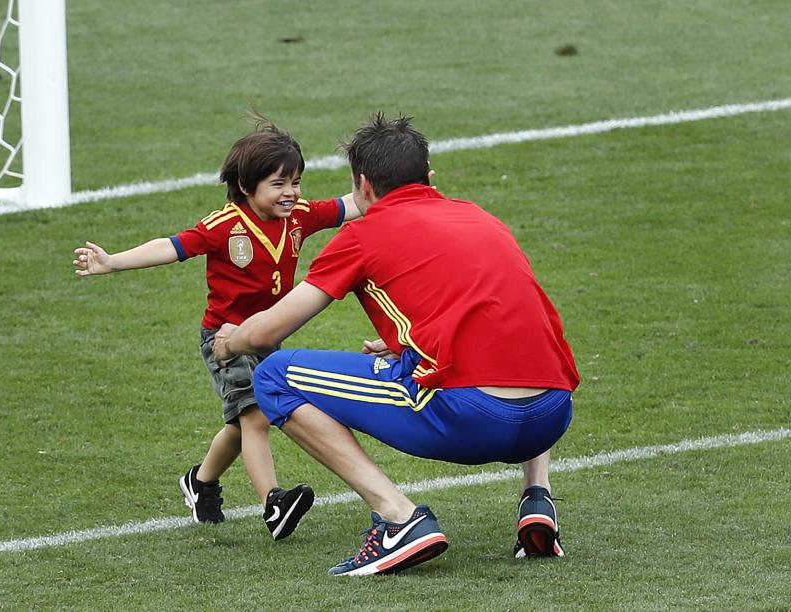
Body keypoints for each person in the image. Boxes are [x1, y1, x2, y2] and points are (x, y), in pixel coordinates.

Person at [212, 113, 580, 576]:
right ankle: (537, 497)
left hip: (473, 419)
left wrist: (229, 344)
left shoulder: (363, 234)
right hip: (552, 415)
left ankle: (398, 518)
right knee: (523, 342)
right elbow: (492, 314)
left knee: (273, 375)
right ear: (429, 176)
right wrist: (409, 345)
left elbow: (266, 332)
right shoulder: (481, 217)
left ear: (363, 186)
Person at [73, 118, 359, 540]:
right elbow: (170, 247)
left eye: (296, 182)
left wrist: (404, 186)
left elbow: (352, 204)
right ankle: (273, 503)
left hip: (267, 336)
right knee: (257, 414)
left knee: (240, 423)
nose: (292, 193)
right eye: (279, 184)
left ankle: (201, 482)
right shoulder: (224, 225)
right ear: (247, 186)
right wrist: (113, 261)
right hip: (224, 339)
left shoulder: (299, 217)